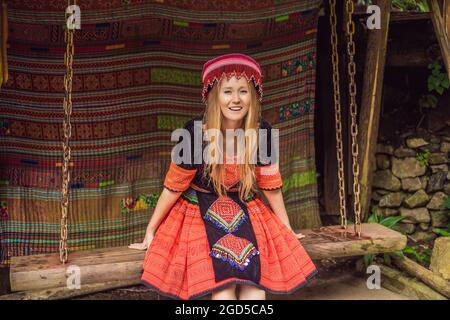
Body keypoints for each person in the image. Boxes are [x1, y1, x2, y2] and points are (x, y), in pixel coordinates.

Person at [129, 53, 317, 300]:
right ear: (214, 97)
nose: (236, 99)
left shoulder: (262, 132)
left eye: (243, 91)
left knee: (255, 285)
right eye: (228, 91)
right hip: (198, 210)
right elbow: (173, 186)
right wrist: (151, 231)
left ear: (254, 96)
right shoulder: (195, 133)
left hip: (246, 209)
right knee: (224, 287)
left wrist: (287, 228)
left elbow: (270, 185)